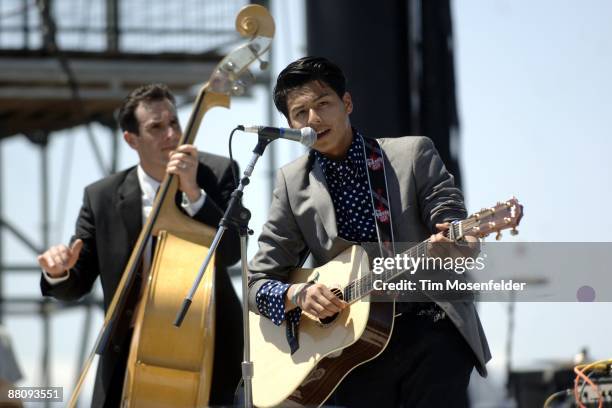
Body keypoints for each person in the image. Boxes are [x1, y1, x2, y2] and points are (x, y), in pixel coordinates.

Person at [248, 57, 491, 407]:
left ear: (346, 103)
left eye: (323, 104)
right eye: (301, 113)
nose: (314, 119)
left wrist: (461, 241)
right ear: (291, 125)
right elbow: (258, 282)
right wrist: (299, 295)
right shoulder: (291, 184)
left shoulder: (412, 154)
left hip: (431, 328)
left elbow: (453, 222)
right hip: (350, 350)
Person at [37, 84, 243, 408]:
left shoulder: (217, 174)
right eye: (156, 127)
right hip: (127, 357)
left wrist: (194, 194)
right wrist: (58, 273)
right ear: (131, 139)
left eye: (174, 123)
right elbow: (75, 285)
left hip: (206, 351)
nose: (171, 134)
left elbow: (231, 253)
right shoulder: (101, 197)